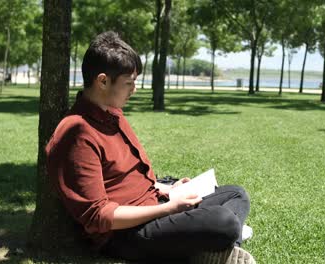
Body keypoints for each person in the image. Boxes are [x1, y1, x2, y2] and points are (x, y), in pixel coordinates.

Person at [46, 31, 255, 264]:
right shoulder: (77, 133)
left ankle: (218, 248)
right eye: (129, 83)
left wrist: (166, 190)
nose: (134, 89)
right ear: (102, 81)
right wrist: (169, 209)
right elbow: (99, 216)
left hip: (155, 203)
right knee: (223, 221)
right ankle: (216, 242)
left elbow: (126, 176)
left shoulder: (112, 115)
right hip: (125, 234)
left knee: (236, 193)